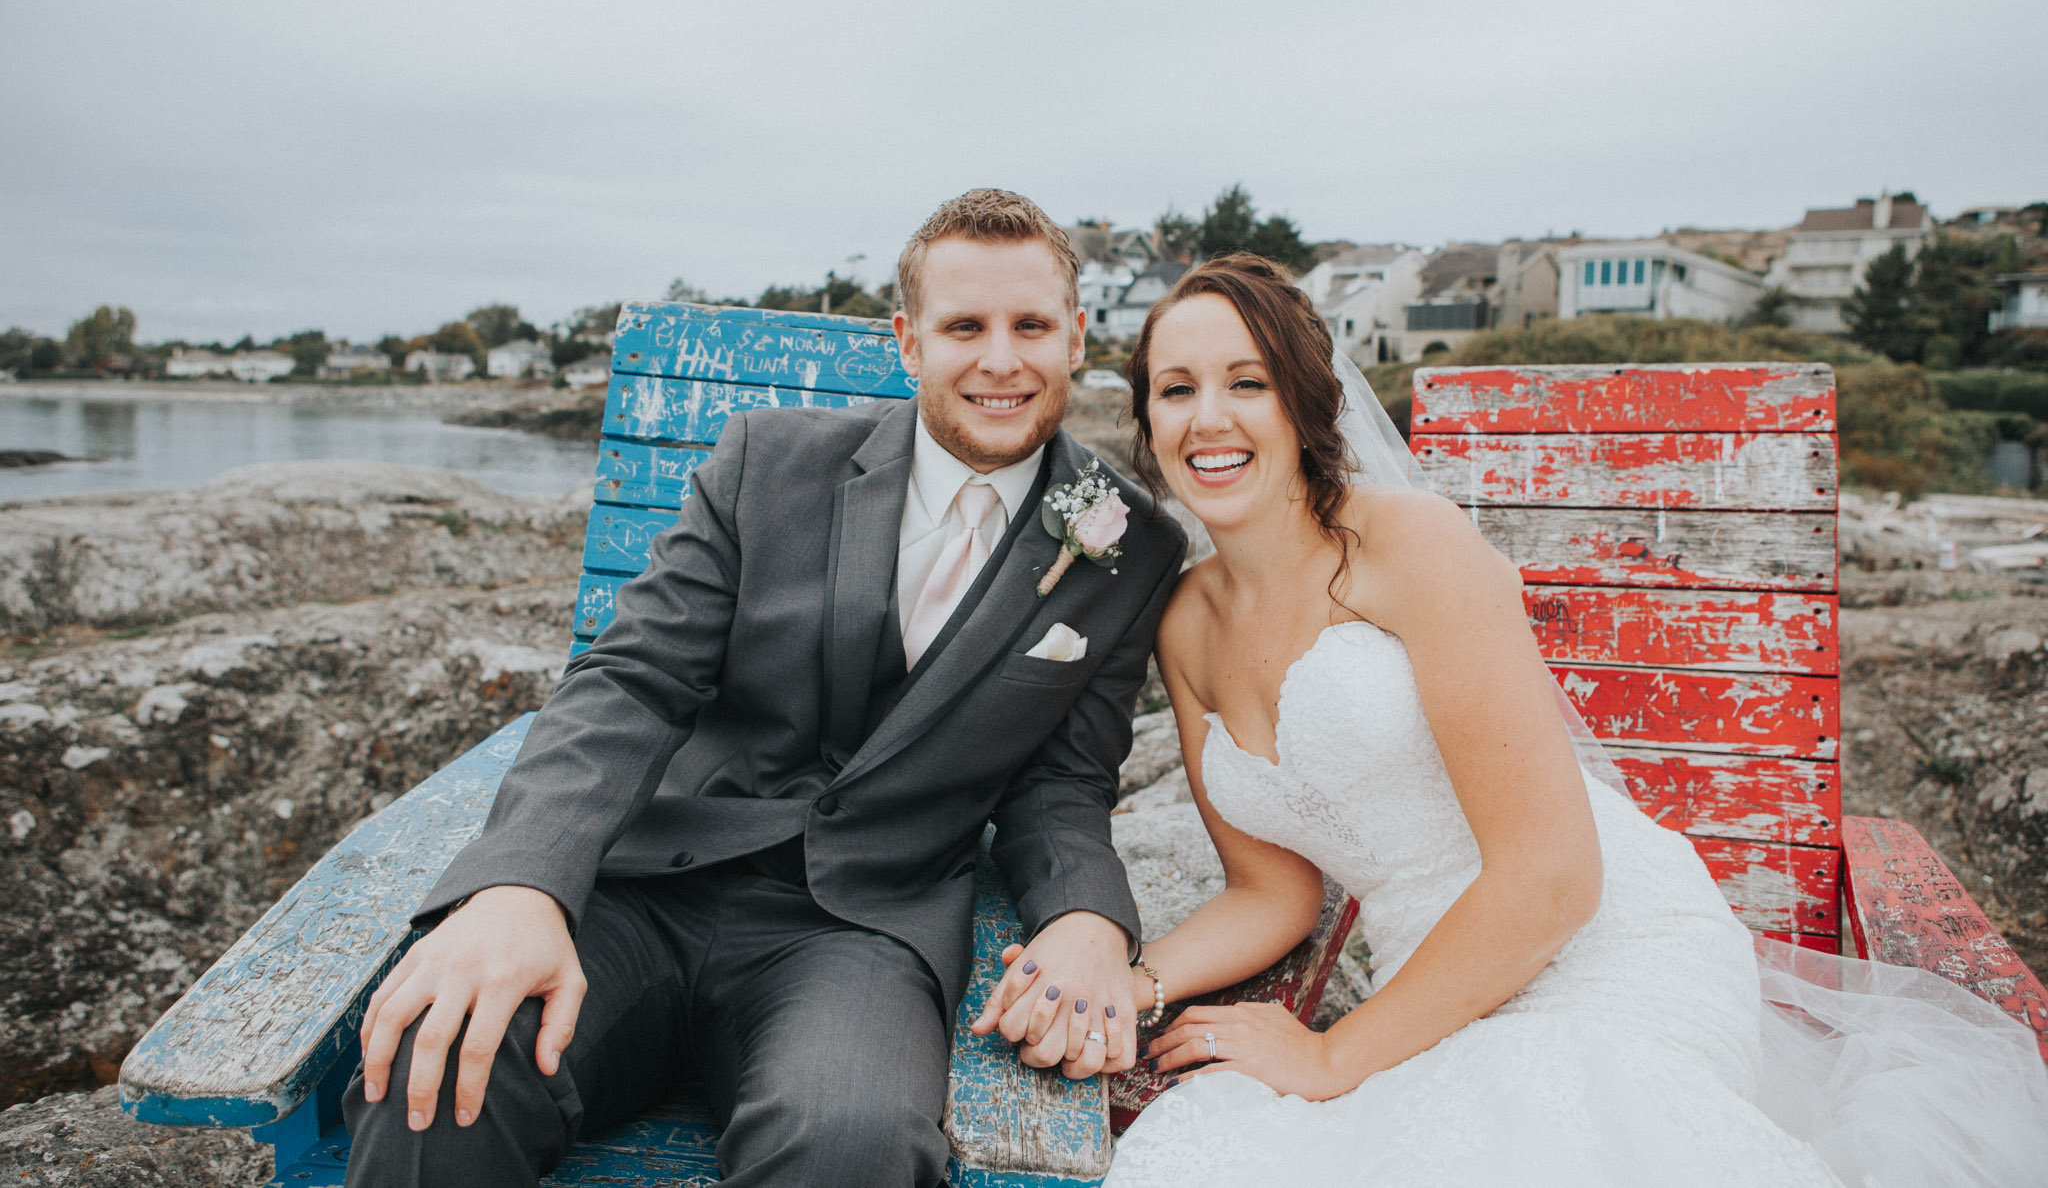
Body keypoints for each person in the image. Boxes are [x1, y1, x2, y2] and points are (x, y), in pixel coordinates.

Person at [1099, 253, 2048, 1187]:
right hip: (1430, 983)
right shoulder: (1186, 626)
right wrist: (1127, 981)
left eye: (1247, 382)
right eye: (1176, 388)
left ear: (1302, 403)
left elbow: (1554, 877)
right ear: (1147, 416)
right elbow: (1273, 893)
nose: (1208, 418)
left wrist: (1334, 1056)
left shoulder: (1407, 543)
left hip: (1602, 943)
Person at [342, 188, 1186, 1187]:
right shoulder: (766, 463)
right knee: (438, 1072)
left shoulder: (1125, 544)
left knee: (853, 1144)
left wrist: (1085, 921)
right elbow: (633, 679)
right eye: (965, 326)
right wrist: (519, 880)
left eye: (1029, 326)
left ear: (1076, 337)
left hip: (858, 932)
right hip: (647, 890)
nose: (999, 359)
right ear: (910, 343)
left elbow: (1063, 780)